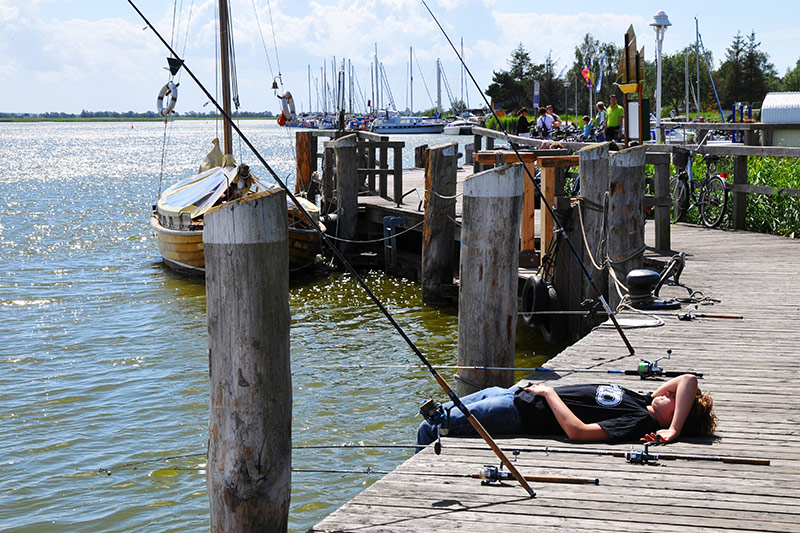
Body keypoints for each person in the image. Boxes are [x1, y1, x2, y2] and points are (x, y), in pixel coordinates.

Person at [416, 374, 716, 446]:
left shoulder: (639, 420)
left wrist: (548, 393)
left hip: (519, 413)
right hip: (513, 395)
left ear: (679, 415)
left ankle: (422, 479)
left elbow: (578, 432)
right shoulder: (643, 401)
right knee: (439, 414)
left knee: (431, 429)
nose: (670, 392)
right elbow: (689, 378)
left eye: (676, 399)